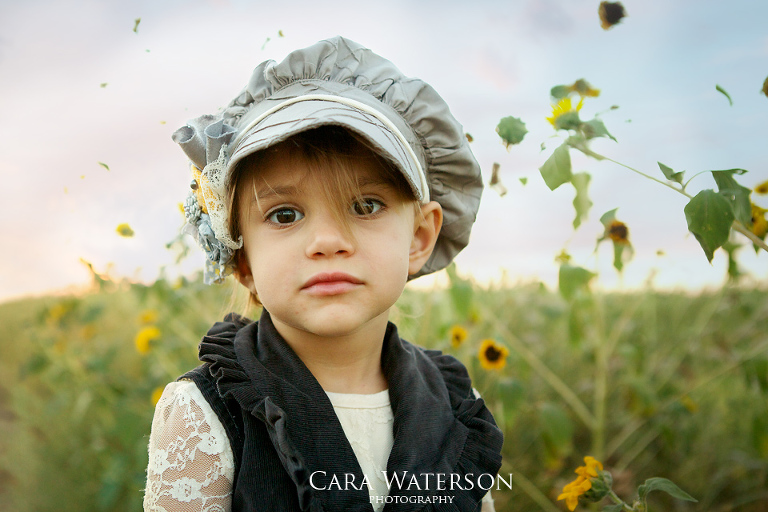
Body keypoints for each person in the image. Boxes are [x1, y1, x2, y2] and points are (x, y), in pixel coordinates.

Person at [143, 36, 503, 512]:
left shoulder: (458, 404)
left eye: (365, 205)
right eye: (285, 215)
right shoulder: (203, 415)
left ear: (419, 237)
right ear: (244, 259)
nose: (328, 241)